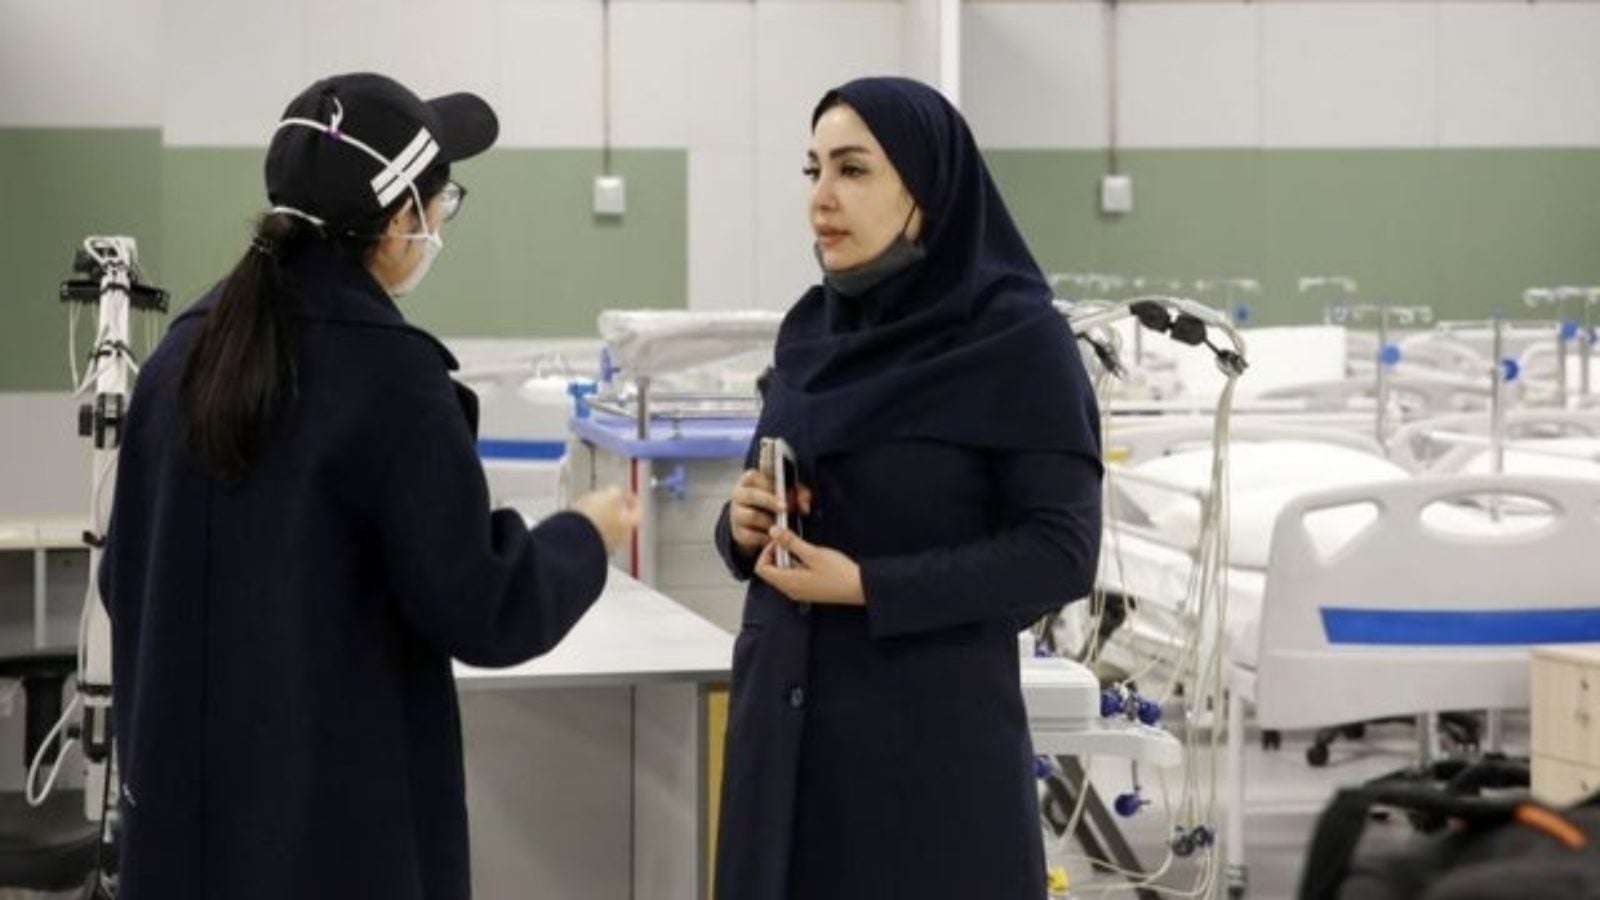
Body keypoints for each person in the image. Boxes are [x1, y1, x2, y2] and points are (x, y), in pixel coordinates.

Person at [99, 72, 640, 899]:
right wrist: (586, 534)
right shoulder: (391, 379)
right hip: (331, 845)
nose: (439, 225)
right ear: (399, 223)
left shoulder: (181, 358)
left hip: (183, 836)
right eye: (442, 203)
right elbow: (483, 606)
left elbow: (122, 576)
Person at [712, 76, 1103, 899]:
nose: (822, 197)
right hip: (782, 738)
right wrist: (741, 525)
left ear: (928, 186)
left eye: (853, 171)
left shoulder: (1019, 342)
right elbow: (765, 499)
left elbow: (1059, 552)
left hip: (925, 750)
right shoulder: (811, 330)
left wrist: (868, 586)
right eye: (812, 169)